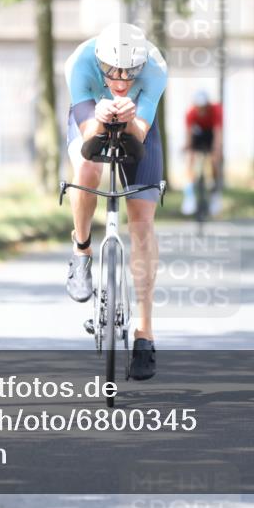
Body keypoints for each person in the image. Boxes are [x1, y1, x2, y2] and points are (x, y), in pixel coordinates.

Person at [63, 23, 167, 380]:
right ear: (99, 61)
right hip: (91, 116)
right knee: (88, 169)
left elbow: (140, 131)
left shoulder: (155, 67)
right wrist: (101, 119)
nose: (121, 80)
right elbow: (86, 133)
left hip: (137, 123)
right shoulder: (79, 63)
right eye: (112, 72)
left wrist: (127, 119)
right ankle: (81, 251)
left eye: (129, 73)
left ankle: (145, 333)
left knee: (141, 220)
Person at [181, 90, 223, 217]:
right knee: (190, 158)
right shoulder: (191, 113)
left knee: (215, 161)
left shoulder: (216, 110)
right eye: (199, 108)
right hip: (198, 134)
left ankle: (215, 194)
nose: (201, 110)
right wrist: (188, 147)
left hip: (210, 134)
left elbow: (217, 132)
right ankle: (189, 196)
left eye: (204, 108)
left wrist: (217, 149)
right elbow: (189, 135)